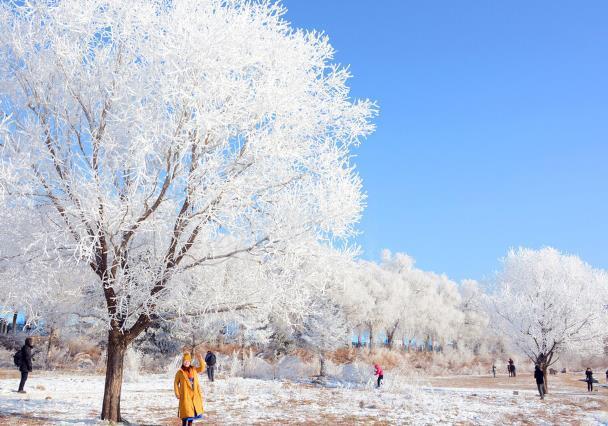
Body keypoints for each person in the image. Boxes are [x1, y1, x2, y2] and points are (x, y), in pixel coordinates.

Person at [174, 352, 206, 426]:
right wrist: (177, 393)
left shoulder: (194, 369)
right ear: (183, 362)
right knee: (185, 416)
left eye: (188, 361)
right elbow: (176, 383)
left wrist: (200, 359)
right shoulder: (179, 372)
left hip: (194, 395)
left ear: (190, 362)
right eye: (185, 361)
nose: (186, 363)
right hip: (185, 396)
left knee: (191, 415)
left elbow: (202, 368)